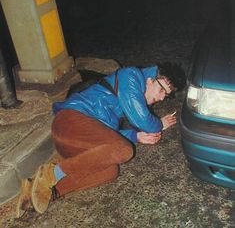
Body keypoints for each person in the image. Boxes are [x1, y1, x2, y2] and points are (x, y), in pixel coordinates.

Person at [16, 62, 186, 217]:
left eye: (167, 95)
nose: (162, 97)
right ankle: (51, 173)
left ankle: (41, 192)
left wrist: (136, 136)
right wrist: (158, 124)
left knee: (110, 171)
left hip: (76, 144)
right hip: (70, 121)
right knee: (124, 150)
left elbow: (109, 133)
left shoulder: (127, 98)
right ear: (150, 79)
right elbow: (142, 119)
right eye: (162, 90)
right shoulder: (131, 75)